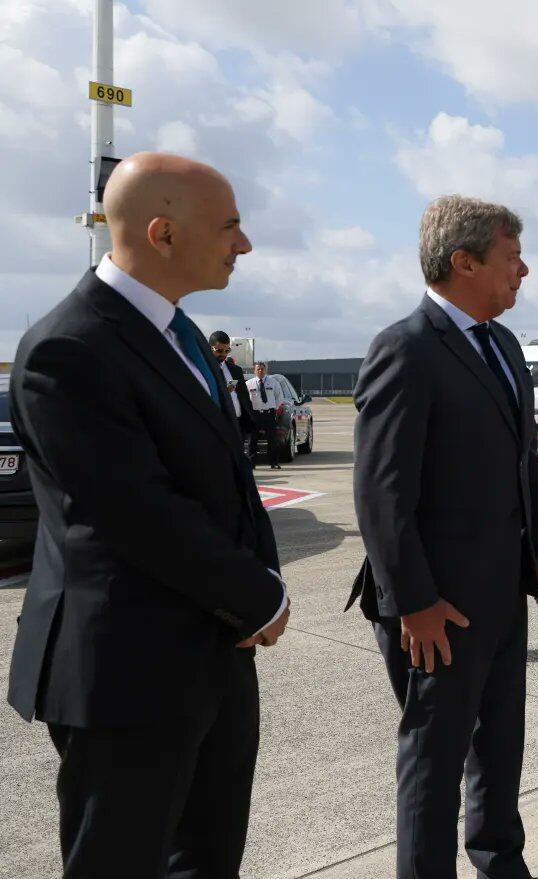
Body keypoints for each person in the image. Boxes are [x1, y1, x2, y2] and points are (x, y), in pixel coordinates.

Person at [6, 152, 290, 876]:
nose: (245, 244)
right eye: (231, 226)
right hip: (126, 673)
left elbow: (227, 479)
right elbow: (133, 512)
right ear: (162, 234)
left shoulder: (183, 333)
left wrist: (260, 588)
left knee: (207, 859)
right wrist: (259, 594)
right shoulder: (69, 348)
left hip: (216, 653)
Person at [347, 195, 538, 879]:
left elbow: (522, 454)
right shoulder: (404, 349)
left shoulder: (500, 345)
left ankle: (501, 862)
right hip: (434, 606)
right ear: (462, 260)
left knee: (501, 746)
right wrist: (413, 600)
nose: (524, 270)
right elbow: (382, 493)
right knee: (434, 762)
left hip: (503, 587)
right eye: (510, 257)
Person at [210, 329, 257, 440]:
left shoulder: (235, 370)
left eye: (227, 351)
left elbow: (244, 396)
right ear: (210, 348)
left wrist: (252, 420)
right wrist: (224, 392)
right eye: (219, 350)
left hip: (237, 425)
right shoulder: (205, 370)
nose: (223, 354)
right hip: (217, 425)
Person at [247, 360, 283, 470]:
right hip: (255, 415)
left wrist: (273, 408)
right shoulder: (249, 384)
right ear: (254, 370)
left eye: (262, 369)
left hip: (269, 415)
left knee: (272, 440)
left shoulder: (273, 382)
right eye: (258, 369)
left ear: (265, 370)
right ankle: (251, 464)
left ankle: (274, 463)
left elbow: (279, 397)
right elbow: (245, 399)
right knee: (252, 441)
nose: (260, 371)